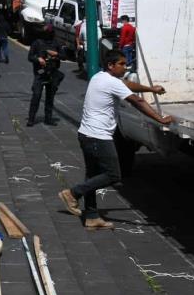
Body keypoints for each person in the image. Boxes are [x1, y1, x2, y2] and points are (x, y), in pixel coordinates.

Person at [58, 50, 173, 230]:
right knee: (113, 175)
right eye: (121, 64)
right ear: (111, 65)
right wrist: (160, 119)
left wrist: (151, 89)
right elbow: (137, 101)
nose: (125, 66)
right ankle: (72, 193)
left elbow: (127, 85)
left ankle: (92, 217)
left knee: (93, 175)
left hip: (86, 134)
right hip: (98, 137)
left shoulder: (99, 77)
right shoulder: (111, 82)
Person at [26, 24, 64, 126]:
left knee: (50, 97)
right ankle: (31, 118)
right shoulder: (37, 43)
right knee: (36, 96)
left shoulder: (56, 43)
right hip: (40, 74)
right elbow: (30, 57)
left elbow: (63, 56)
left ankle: (48, 118)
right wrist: (38, 59)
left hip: (52, 73)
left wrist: (55, 54)